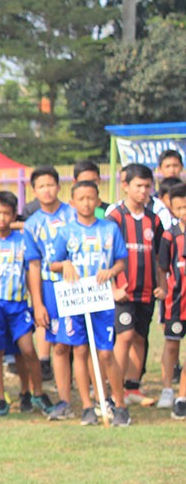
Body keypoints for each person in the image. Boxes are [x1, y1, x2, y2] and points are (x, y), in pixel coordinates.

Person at [49, 180, 129, 426]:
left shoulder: (109, 228)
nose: (86, 203)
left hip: (101, 298)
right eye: (81, 199)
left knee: (106, 352)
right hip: (75, 299)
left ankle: (119, 403)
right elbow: (53, 264)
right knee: (80, 351)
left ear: (97, 201)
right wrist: (66, 264)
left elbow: (121, 261)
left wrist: (111, 272)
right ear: (72, 202)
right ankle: (87, 406)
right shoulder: (65, 231)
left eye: (90, 198)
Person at [0, 191, 48, 415]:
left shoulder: (24, 241)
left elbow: (32, 273)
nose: (2, 218)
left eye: (7, 213)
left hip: (19, 304)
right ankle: (0, 397)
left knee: (26, 350)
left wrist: (36, 302)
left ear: (14, 215)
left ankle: (32, 392)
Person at [106, 164, 166, 407]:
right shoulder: (115, 219)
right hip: (123, 291)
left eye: (147, 186)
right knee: (125, 335)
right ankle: (115, 391)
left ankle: (132, 387)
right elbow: (105, 257)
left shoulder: (154, 219)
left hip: (147, 290)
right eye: (138, 186)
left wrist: (161, 285)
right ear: (125, 186)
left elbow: (161, 258)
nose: (143, 191)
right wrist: (112, 287)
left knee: (140, 337)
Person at [23, 166, 76, 416]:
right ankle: (64, 400)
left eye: (50, 184)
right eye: (41, 186)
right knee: (60, 346)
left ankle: (97, 399)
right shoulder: (32, 225)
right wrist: (39, 303)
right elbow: (33, 266)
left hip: (78, 287)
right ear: (34, 191)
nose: (46, 190)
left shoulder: (74, 215)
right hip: (51, 289)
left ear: (59, 186)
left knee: (86, 346)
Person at [158, 183, 186, 414]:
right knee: (171, 345)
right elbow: (162, 267)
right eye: (179, 208)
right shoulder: (169, 235)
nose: (183, 212)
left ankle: (182, 395)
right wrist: (162, 289)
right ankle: (167, 389)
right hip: (176, 302)